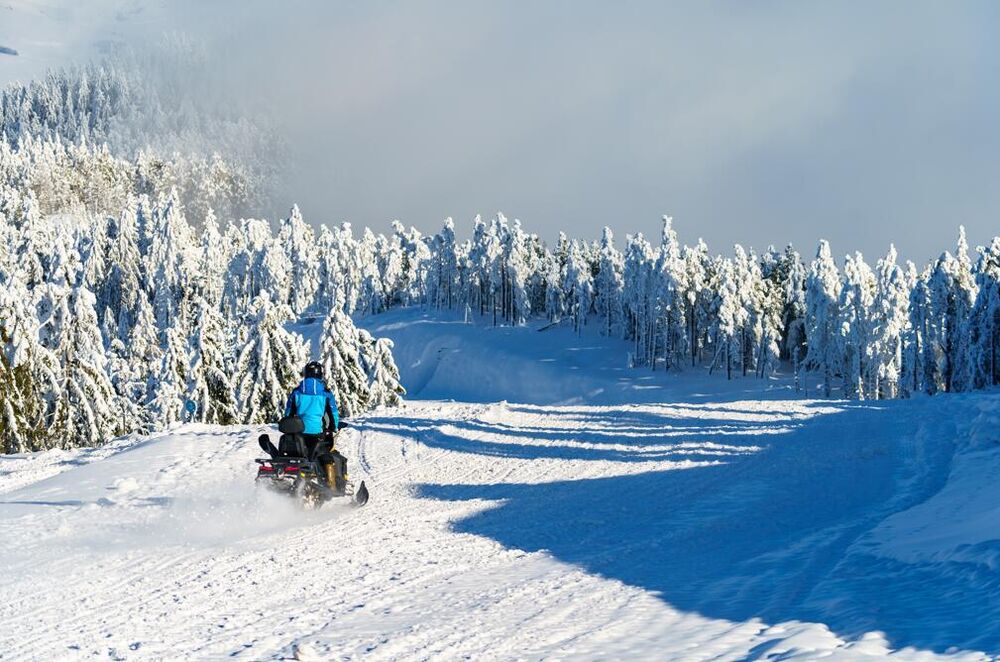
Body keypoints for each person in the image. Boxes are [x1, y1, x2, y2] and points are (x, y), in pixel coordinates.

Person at [284, 361, 346, 491]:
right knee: (327, 453)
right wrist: (333, 427)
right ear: (320, 374)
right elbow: (333, 414)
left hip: (298, 433)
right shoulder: (325, 393)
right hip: (317, 433)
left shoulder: (296, 392)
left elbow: (288, 413)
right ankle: (331, 485)